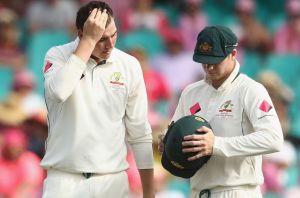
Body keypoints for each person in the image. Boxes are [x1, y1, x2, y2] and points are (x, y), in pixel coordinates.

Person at [40, 1, 154, 198]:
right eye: (101, 38)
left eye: (114, 35)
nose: (110, 45)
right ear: (81, 34)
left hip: (112, 181)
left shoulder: (129, 65)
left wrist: (149, 194)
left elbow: (140, 133)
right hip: (63, 181)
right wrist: (88, 43)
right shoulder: (57, 55)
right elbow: (59, 91)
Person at [158, 26, 283, 198]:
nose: (208, 67)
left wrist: (216, 144)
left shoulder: (251, 90)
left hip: (238, 191)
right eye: (204, 60)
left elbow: (273, 139)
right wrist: (168, 140)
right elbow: (177, 129)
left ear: (233, 54)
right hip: (197, 191)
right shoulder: (190, 92)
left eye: (215, 60)